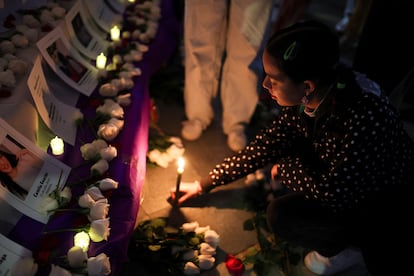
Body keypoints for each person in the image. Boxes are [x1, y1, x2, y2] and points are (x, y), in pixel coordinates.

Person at [171, 20, 414, 275]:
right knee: (287, 144)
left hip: (378, 202)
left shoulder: (360, 118)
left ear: (307, 86)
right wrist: (204, 183)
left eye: (274, 79)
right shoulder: (321, 90)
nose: (265, 85)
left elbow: (335, 192)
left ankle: (350, 248)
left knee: (282, 216)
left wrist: (286, 169)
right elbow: (267, 145)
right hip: (344, 176)